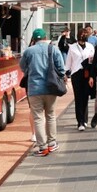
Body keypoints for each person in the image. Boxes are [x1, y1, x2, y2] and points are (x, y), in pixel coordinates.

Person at [20, 28, 65, 157]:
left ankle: (42, 147)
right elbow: (61, 68)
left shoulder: (29, 51)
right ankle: (52, 144)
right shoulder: (53, 49)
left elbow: (23, 67)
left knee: (38, 118)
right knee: (50, 115)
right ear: (46, 37)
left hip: (34, 89)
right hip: (51, 88)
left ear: (33, 39)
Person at [65, 30, 95, 131]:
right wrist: (66, 73)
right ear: (78, 36)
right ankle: (80, 121)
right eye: (82, 34)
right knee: (78, 97)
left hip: (87, 73)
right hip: (76, 73)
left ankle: (85, 119)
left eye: (85, 34)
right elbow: (68, 62)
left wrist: (93, 75)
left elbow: (93, 61)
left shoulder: (90, 46)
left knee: (86, 96)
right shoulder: (72, 47)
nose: (84, 36)